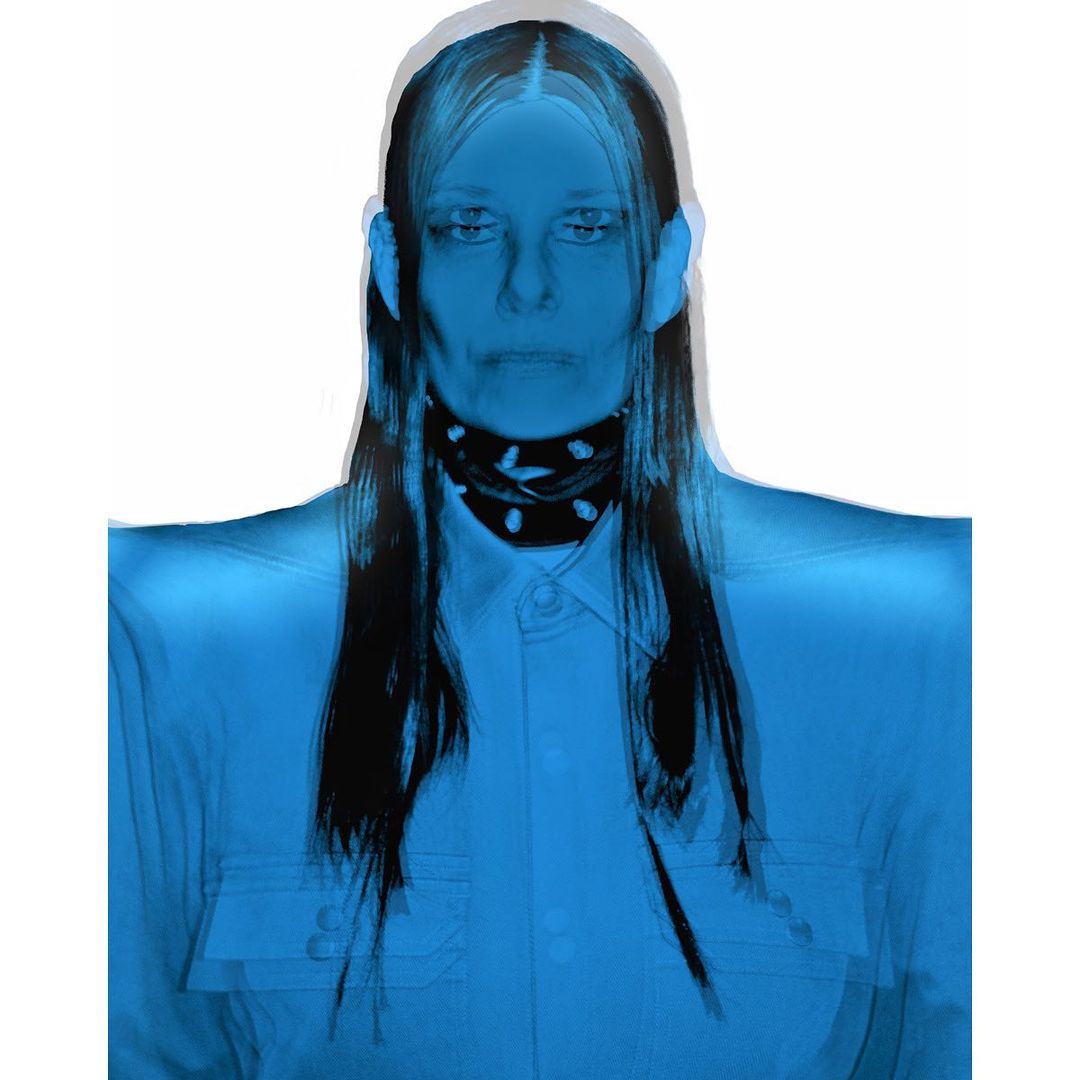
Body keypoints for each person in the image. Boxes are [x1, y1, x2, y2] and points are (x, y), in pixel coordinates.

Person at [108, 11, 971, 1079]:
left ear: (667, 262)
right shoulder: (165, 640)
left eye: (587, 227)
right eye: (471, 225)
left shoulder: (924, 633)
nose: (528, 288)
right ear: (394, 262)